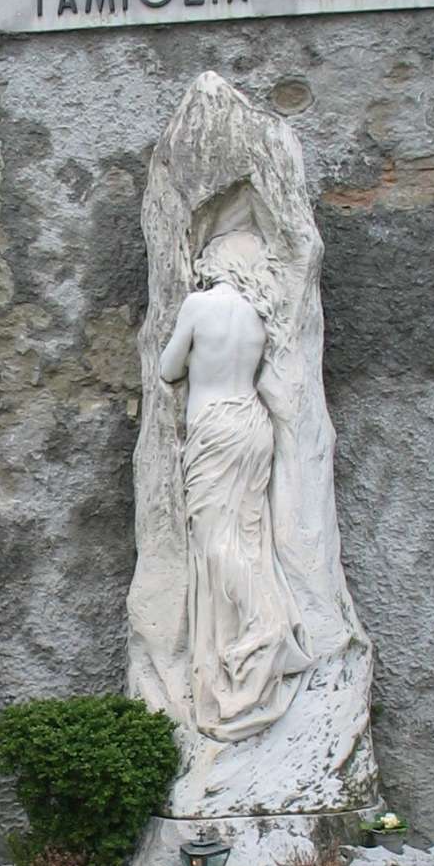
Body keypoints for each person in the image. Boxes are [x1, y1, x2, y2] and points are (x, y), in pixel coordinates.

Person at [159, 229, 312, 740]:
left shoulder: (198, 305)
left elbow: (168, 369)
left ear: (218, 261)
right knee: (247, 537)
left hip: (214, 429)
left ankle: (266, 623)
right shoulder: (257, 313)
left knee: (214, 541)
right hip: (252, 424)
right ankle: (256, 626)